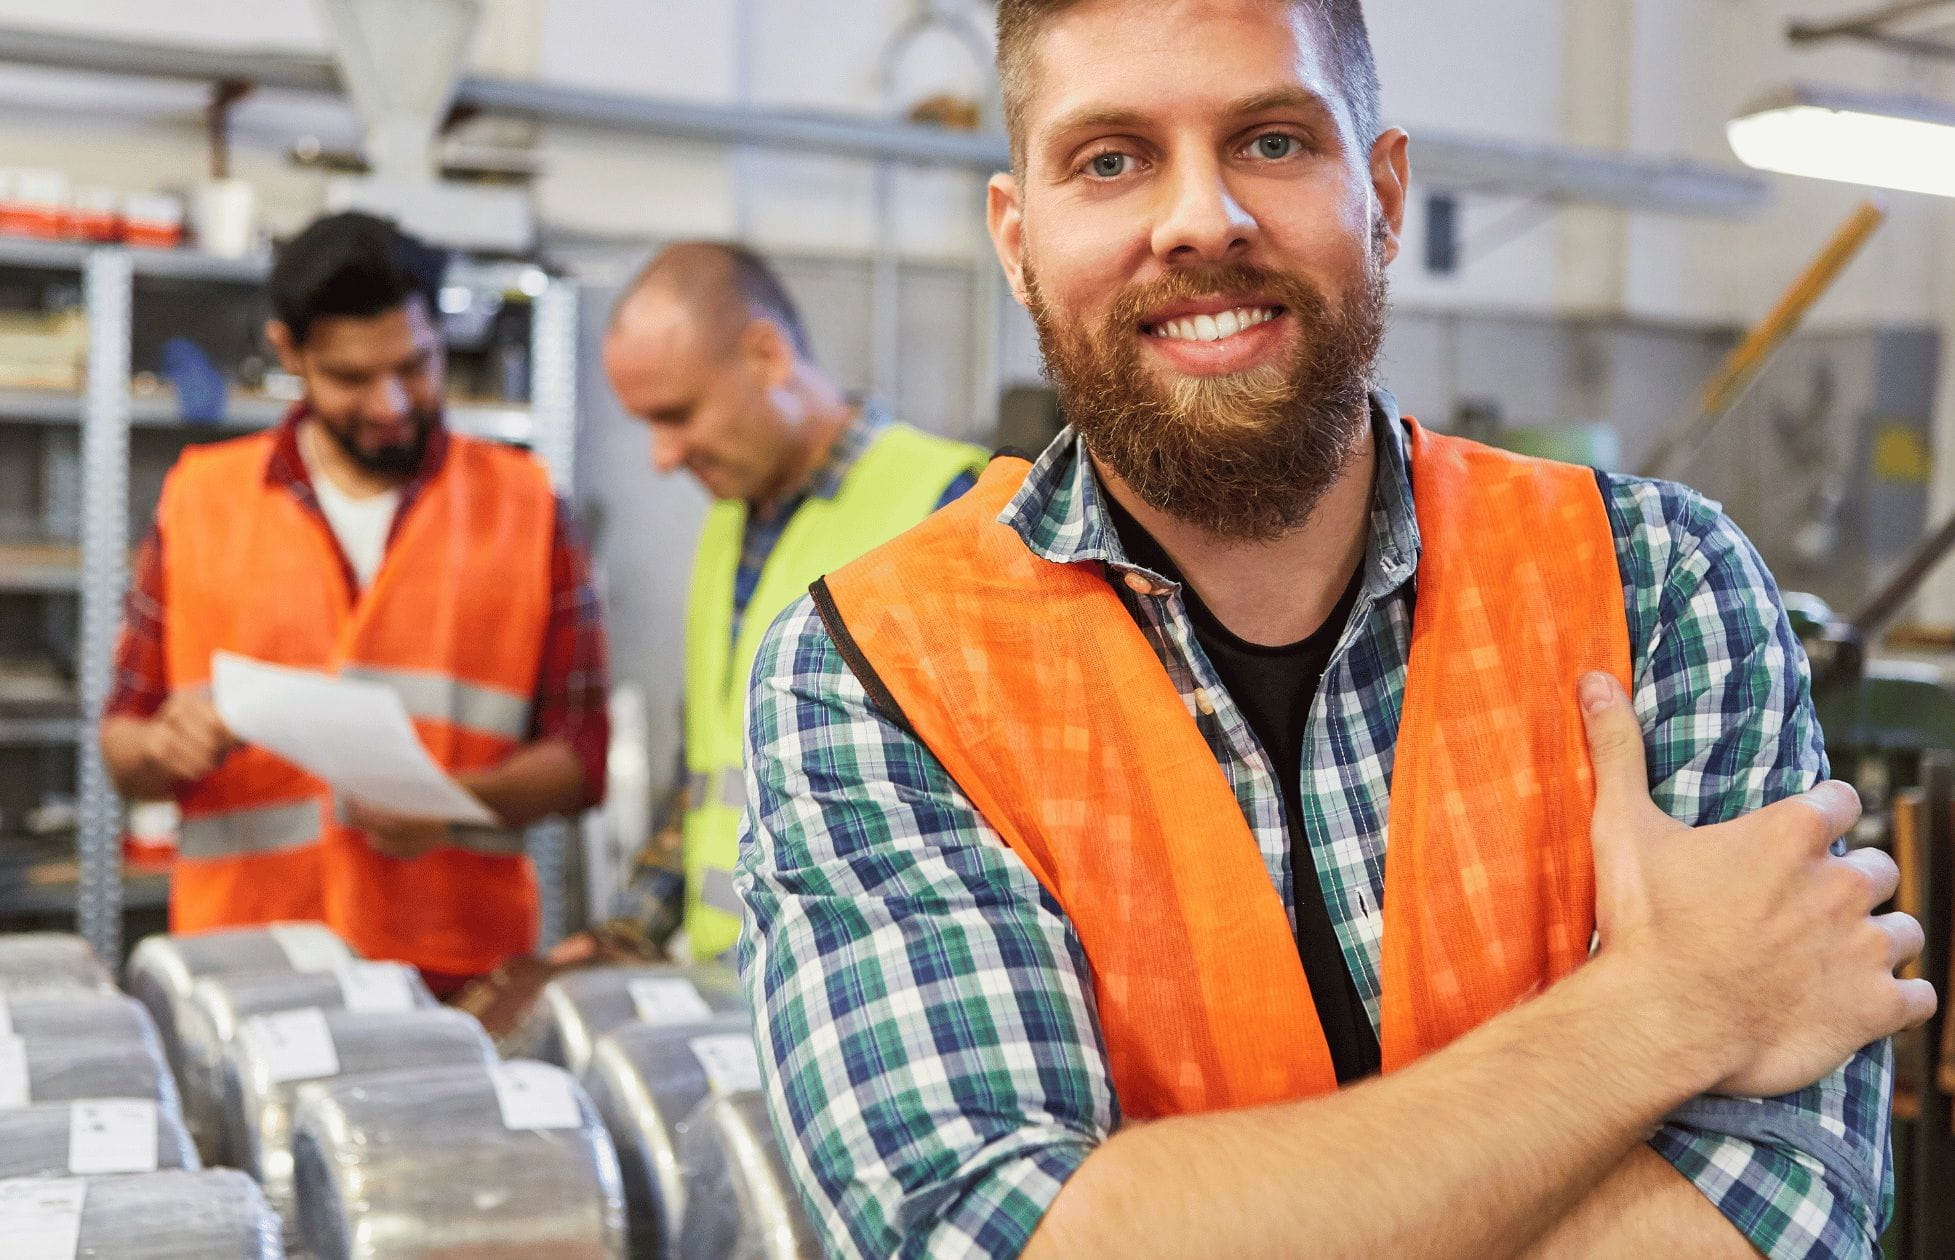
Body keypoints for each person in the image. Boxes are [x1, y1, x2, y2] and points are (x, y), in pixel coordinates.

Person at [736, 2, 1934, 1256]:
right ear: (1017, 239)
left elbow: (1775, 1218)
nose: (1199, 218)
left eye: (1270, 141)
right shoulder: (877, 672)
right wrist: (1658, 1013)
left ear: (1383, 194)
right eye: (1110, 159)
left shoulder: (1656, 585)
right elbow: (986, 1234)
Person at [100, 212, 610, 997]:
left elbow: (581, 760)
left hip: (456, 975)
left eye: (416, 365)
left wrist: (455, 806)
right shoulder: (200, 500)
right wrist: (163, 746)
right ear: (289, 352)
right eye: (351, 378)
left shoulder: (528, 507)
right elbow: (121, 744)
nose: (391, 403)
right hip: (247, 968)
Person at [603, 242, 987, 960]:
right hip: (726, 983)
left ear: (767, 355)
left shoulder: (944, 510)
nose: (662, 456)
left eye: (678, 414)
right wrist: (627, 936)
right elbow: (705, 770)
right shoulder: (728, 521)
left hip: (866, 989)